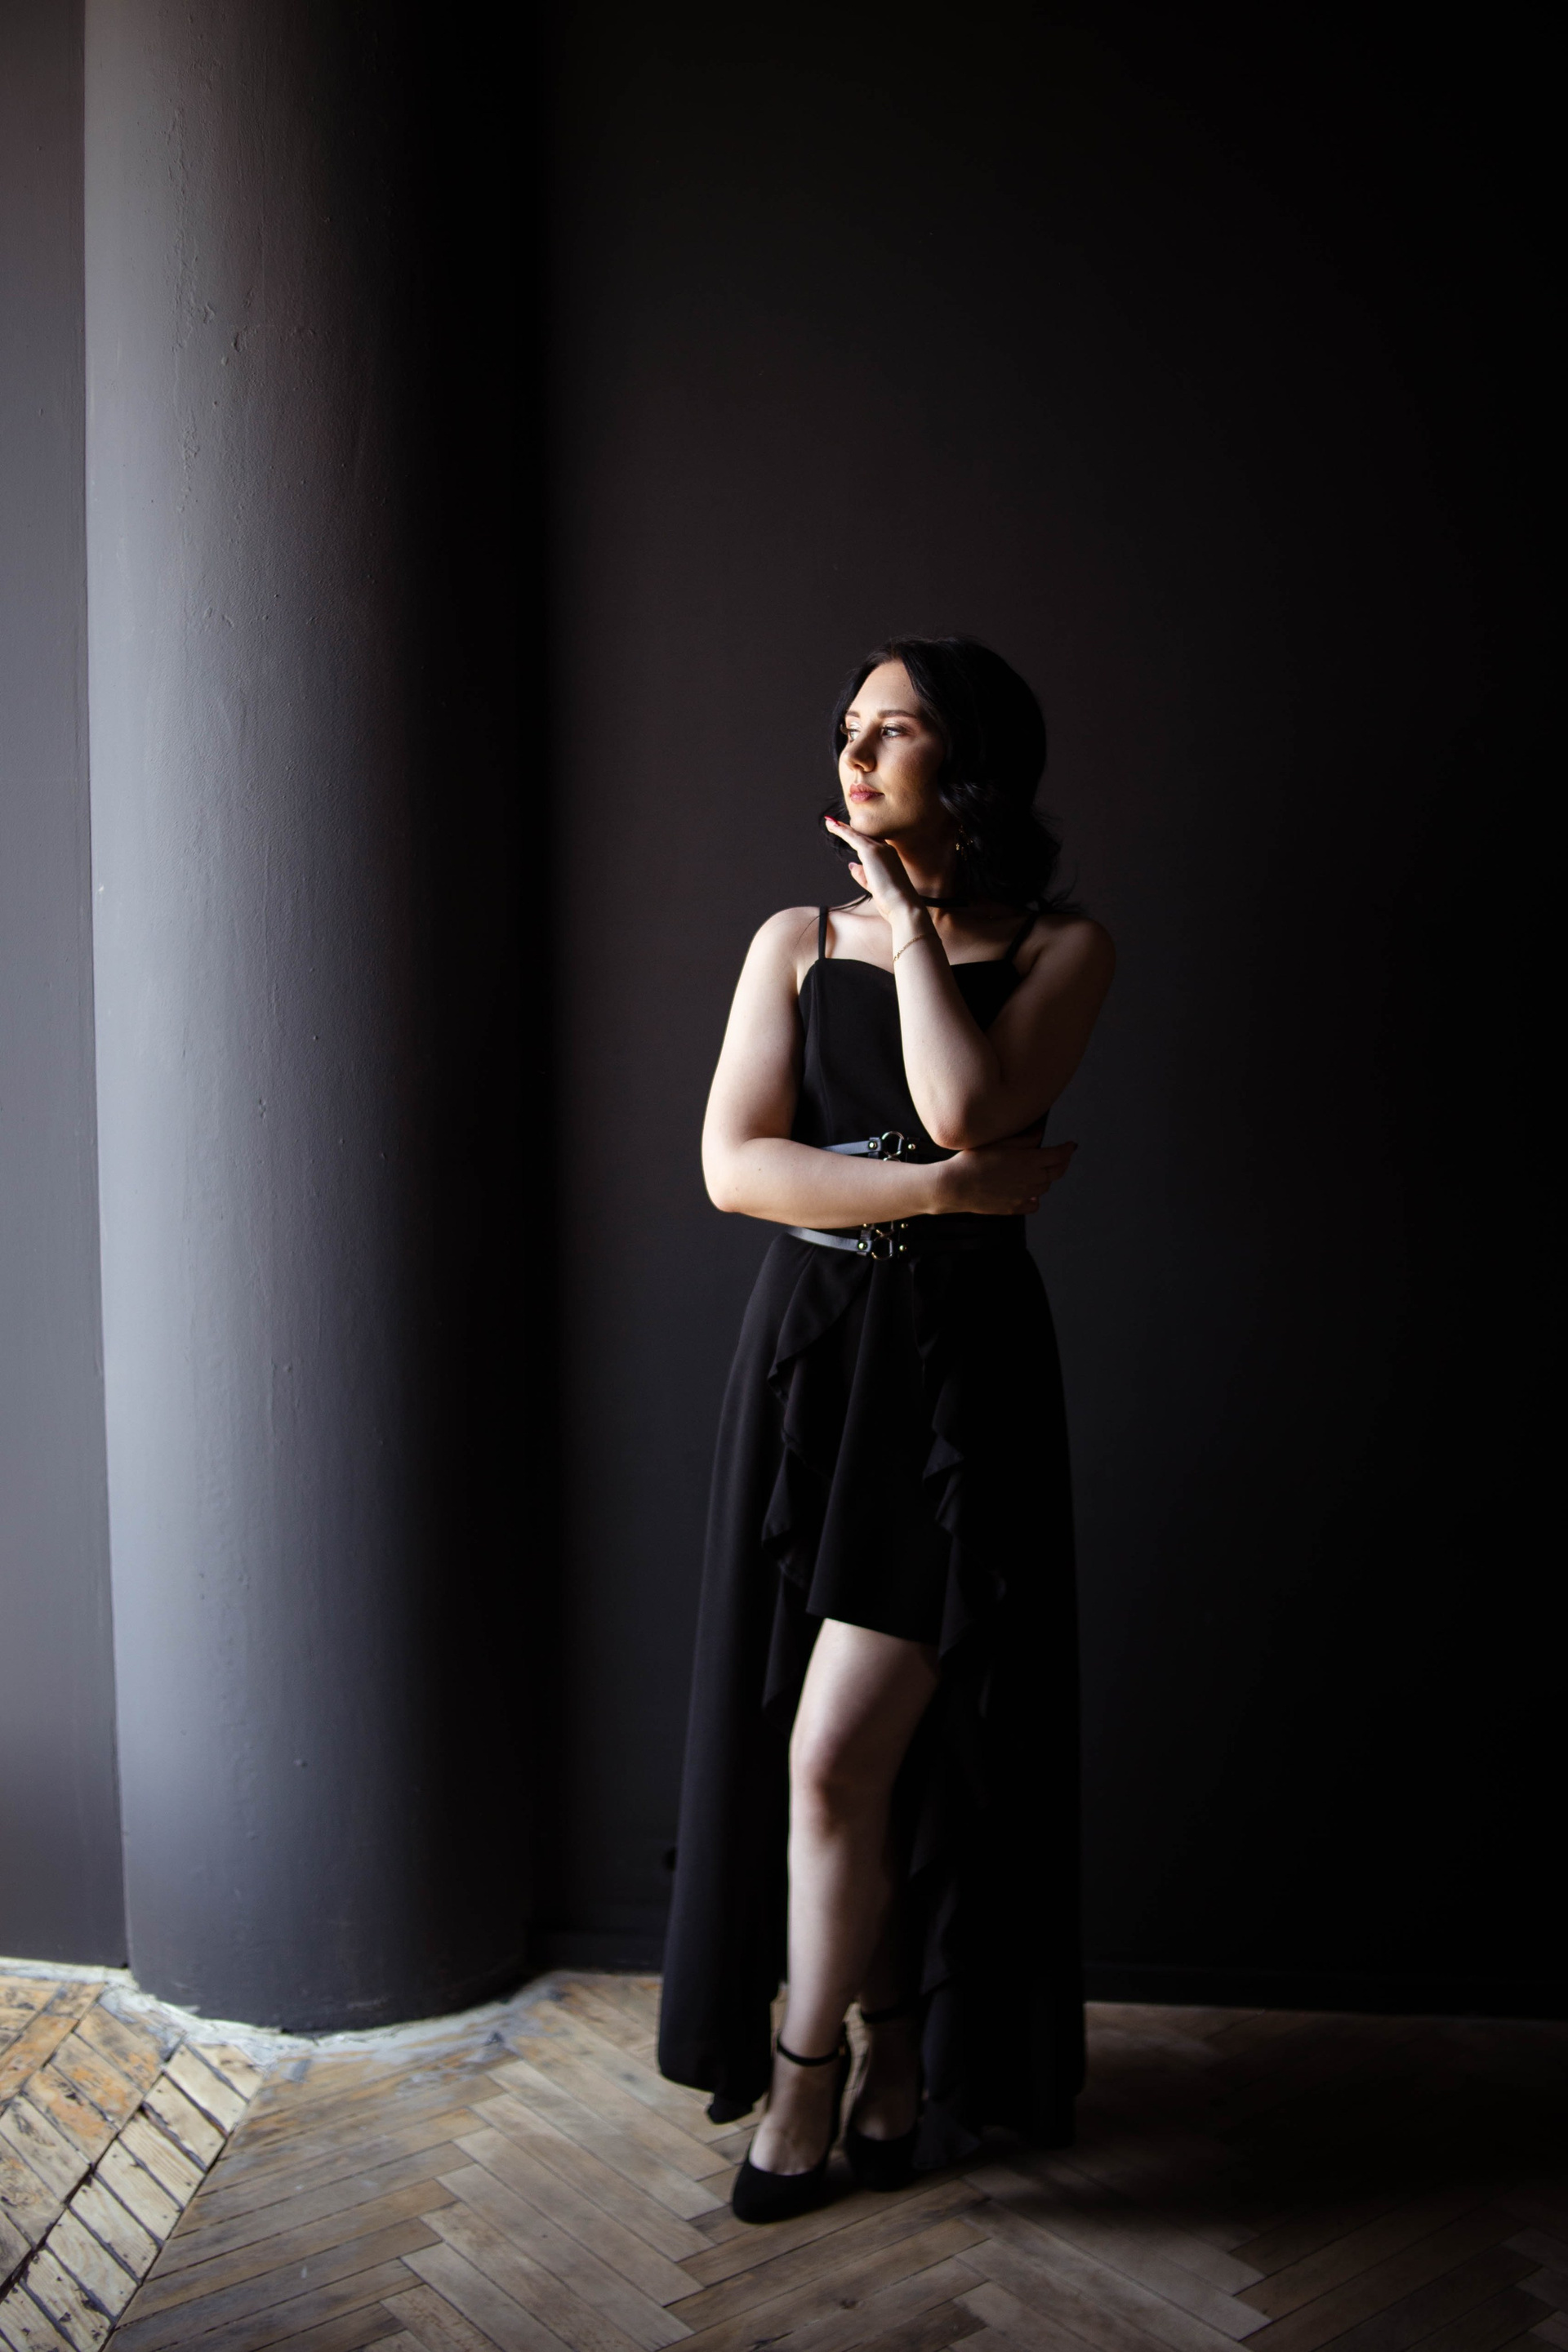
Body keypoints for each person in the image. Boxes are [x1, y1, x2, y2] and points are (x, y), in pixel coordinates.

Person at [656, 636, 1114, 2223]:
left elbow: (968, 1101)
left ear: (969, 760)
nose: (855, 754)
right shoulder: (791, 941)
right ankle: (895, 2047)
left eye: (896, 730)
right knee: (831, 1751)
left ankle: (810, 2074)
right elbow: (737, 1169)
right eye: (849, 726)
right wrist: (940, 1192)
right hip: (812, 1359)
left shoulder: (1061, 947)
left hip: (955, 1381)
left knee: (839, 1753)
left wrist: (912, 923)